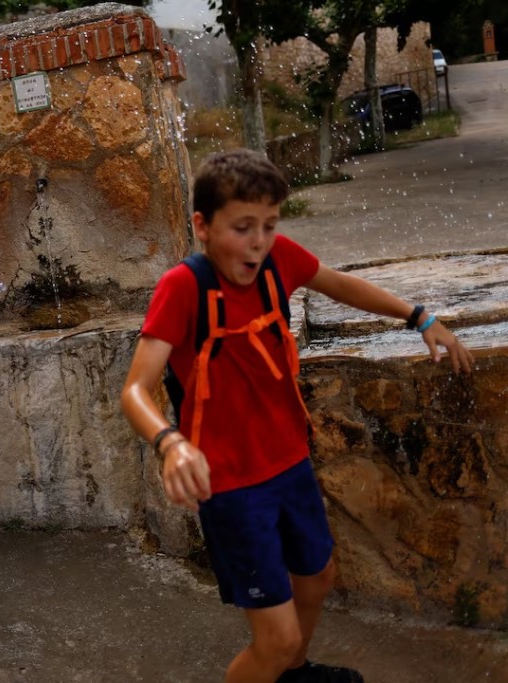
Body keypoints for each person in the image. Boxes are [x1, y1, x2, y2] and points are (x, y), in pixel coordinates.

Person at [120, 149, 473, 683]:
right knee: (276, 638)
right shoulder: (185, 287)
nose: (259, 241)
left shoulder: (278, 261)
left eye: (269, 225)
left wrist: (419, 317)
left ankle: (294, 674)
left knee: (317, 577)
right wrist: (170, 443)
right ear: (203, 226)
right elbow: (135, 390)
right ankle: (282, 662)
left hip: (289, 464)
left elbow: (338, 283)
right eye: (243, 227)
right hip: (231, 487)